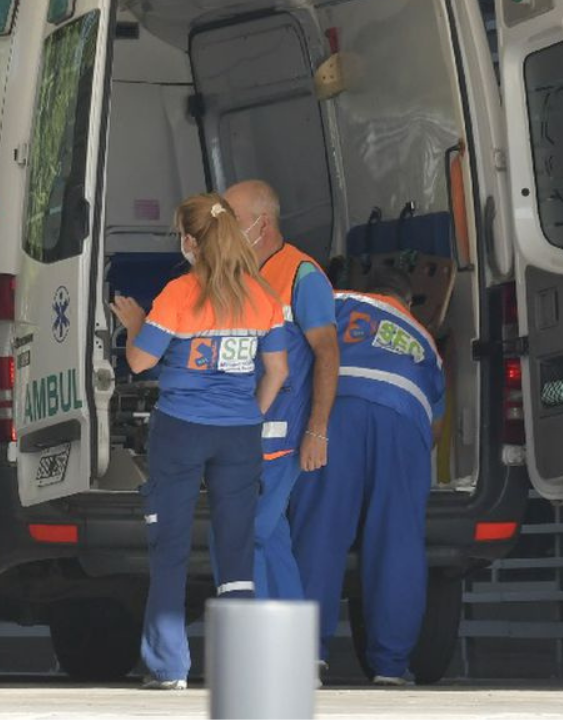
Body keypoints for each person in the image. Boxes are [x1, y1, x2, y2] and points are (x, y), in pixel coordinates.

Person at [111, 193, 290, 690]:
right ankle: (241, 669)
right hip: (239, 437)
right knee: (235, 551)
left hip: (181, 431)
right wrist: (247, 416)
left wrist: (134, 326)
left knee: (169, 547)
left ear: (190, 242)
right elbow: (277, 370)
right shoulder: (262, 296)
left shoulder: (179, 294)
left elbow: (141, 362)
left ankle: (169, 668)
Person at [289, 270, 446, 686]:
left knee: (318, 531)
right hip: (404, 419)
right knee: (397, 540)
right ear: (405, 301)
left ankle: (305, 659)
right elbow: (434, 429)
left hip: (334, 408)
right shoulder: (423, 337)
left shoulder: (335, 298)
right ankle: (390, 668)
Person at [224, 180, 339, 601]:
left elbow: (327, 353)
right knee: (270, 541)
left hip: (281, 435)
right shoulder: (240, 275)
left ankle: (254, 654)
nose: (223, 228)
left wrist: (318, 430)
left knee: (241, 533)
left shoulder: (302, 276)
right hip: (246, 431)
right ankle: (294, 657)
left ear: (262, 222)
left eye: (231, 219)